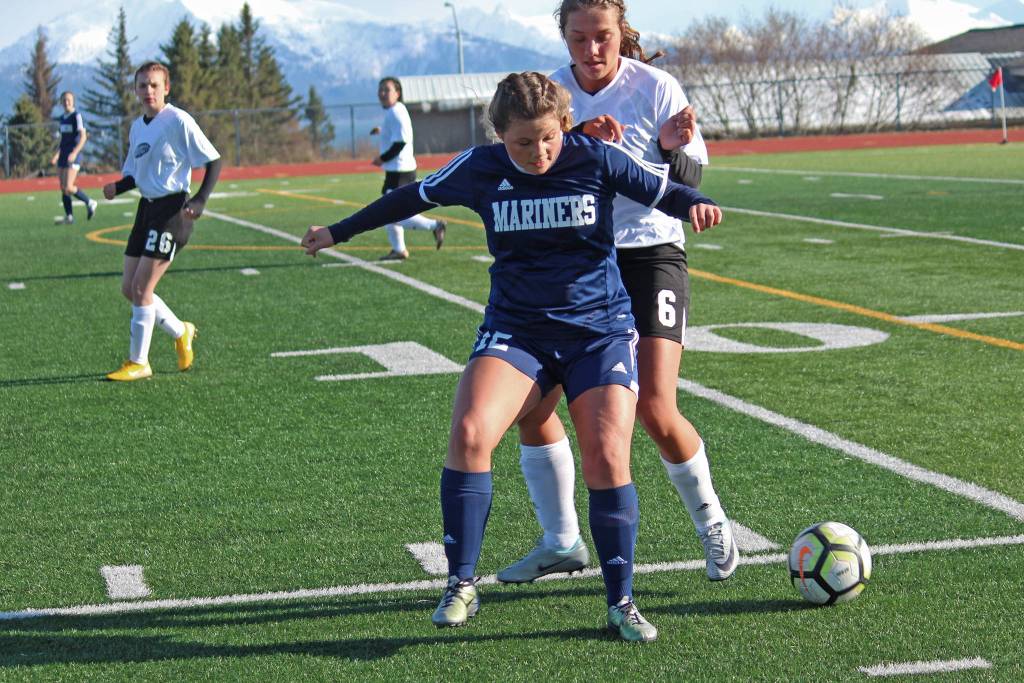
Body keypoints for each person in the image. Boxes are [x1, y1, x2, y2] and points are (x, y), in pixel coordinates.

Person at [302, 72, 722, 642]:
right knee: (472, 431)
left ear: (564, 127)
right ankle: (460, 584)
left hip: (598, 332)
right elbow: (407, 196)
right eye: (522, 142)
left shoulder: (595, 156)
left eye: (548, 138)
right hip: (517, 331)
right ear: (498, 135)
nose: (538, 152)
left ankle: (621, 601)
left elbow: (661, 189)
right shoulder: (480, 167)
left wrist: (696, 201)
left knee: (605, 453)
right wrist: (338, 231)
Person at [496, 0, 738, 586]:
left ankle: (712, 522)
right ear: (564, 36)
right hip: (576, 262)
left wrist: (669, 146)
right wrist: (575, 139)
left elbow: (687, 182)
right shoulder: (547, 93)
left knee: (655, 407)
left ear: (619, 33)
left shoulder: (656, 87)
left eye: (602, 36)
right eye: (579, 38)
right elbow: (525, 166)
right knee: (532, 409)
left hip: (651, 253)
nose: (591, 50)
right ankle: (561, 542)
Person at [101, 61, 222, 382]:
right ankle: (181, 330)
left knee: (143, 288)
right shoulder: (137, 127)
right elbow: (135, 175)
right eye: (142, 85)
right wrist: (118, 186)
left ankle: (138, 362)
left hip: (172, 211)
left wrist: (199, 199)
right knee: (130, 288)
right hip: (146, 210)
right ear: (136, 90)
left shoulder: (178, 120)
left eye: (154, 85)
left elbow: (213, 160)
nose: (148, 91)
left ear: (166, 88)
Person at [369, 76, 446, 260]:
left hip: (400, 171)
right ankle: (398, 250)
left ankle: (435, 226)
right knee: (389, 210)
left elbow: (401, 142)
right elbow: (396, 132)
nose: (382, 93)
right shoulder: (394, 111)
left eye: (387, 90)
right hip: (397, 170)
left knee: (393, 212)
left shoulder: (396, 111)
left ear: (398, 93)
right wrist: (382, 130)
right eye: (380, 89)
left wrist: (382, 158)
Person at [51, 91, 97, 225]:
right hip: (63, 155)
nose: (66, 102)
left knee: (69, 186)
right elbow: (63, 140)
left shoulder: (77, 116)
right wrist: (57, 155)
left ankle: (90, 202)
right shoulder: (62, 118)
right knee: (63, 187)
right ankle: (69, 217)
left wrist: (75, 152)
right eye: (64, 100)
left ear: (73, 101)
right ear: (61, 102)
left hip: (73, 156)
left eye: (69, 100)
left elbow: (83, 137)